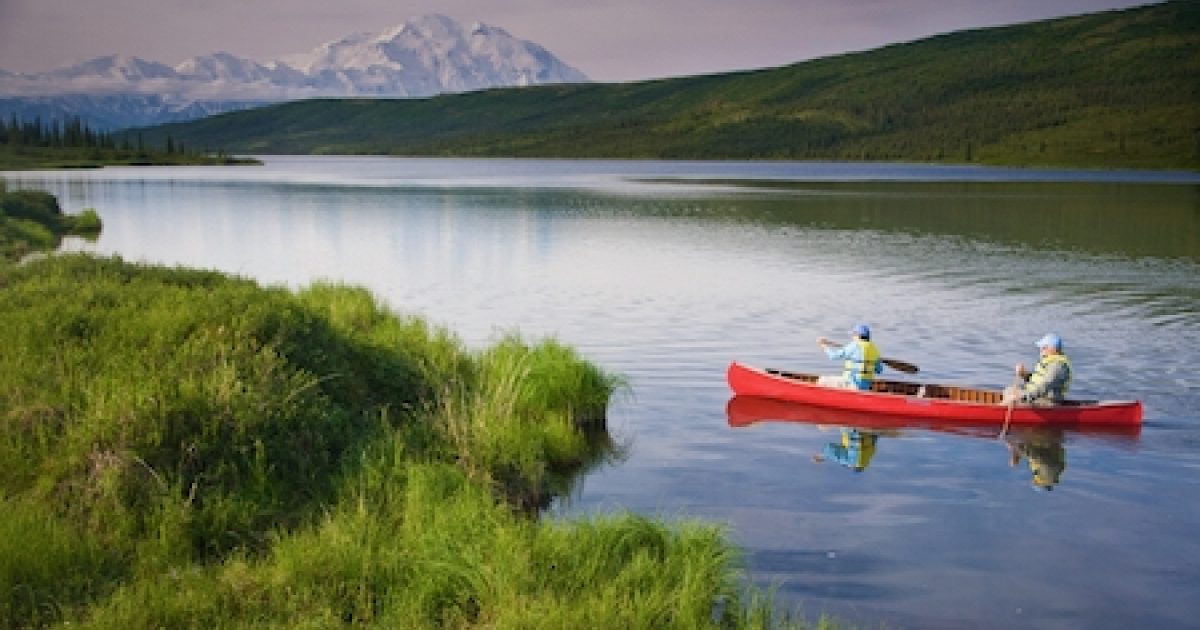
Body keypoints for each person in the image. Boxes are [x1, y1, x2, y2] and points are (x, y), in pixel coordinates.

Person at [1010, 333, 1073, 405]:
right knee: (1009, 392)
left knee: (1010, 400)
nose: (1041, 349)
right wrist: (1024, 374)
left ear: (1054, 349)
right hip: (1036, 396)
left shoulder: (1057, 366)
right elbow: (1037, 380)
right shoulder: (1049, 361)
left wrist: (1025, 398)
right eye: (1041, 347)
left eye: (1044, 347)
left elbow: (1045, 385)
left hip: (1047, 400)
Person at [817, 323, 882, 390]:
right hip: (866, 387)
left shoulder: (854, 346)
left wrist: (824, 346)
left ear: (858, 336)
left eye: (854, 335)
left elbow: (833, 356)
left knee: (822, 380)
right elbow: (879, 370)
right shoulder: (875, 349)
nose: (853, 337)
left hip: (852, 384)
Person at [812, 428, 879, 472]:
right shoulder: (849, 462)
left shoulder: (870, 455)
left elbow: (874, 441)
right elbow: (830, 449)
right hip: (851, 431)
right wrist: (822, 456)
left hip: (865, 433)